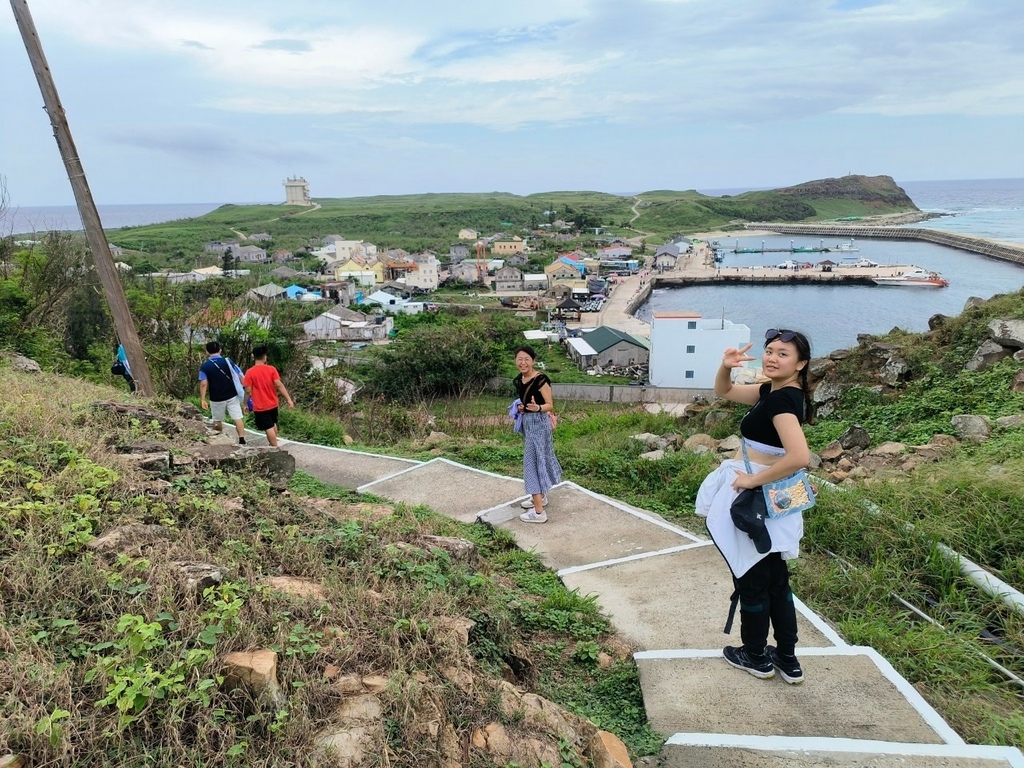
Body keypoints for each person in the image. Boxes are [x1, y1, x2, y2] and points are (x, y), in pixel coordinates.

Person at [695, 328, 813, 685]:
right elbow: (725, 391)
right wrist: (726, 366)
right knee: (776, 578)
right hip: (781, 497)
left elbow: (799, 456)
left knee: (753, 577)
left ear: (801, 363)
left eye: (783, 354)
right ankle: (787, 658)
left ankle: (756, 655)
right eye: (770, 351)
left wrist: (750, 480)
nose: (773, 358)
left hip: (762, 495)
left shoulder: (781, 401)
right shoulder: (773, 391)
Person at [512, 345, 562, 523]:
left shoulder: (541, 379)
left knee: (531, 464)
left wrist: (538, 408)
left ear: (533, 361)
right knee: (538, 459)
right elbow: (525, 401)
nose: (523, 362)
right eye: (520, 359)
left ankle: (539, 512)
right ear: (515, 361)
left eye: (526, 359)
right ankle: (541, 497)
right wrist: (522, 407)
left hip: (540, 425)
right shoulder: (520, 380)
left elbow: (549, 404)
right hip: (528, 424)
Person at [243, 345, 294, 447]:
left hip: (261, 406)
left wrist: (245, 404)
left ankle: (275, 448)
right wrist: (288, 399)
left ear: (254, 357)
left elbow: (248, 391)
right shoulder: (271, 369)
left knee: (268, 427)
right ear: (264, 357)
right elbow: (279, 385)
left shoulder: (250, 372)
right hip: (273, 403)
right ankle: (275, 443)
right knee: (273, 422)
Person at [198, 341, 247, 445]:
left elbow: (203, 383)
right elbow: (240, 375)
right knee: (237, 417)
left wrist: (202, 399)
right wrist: (246, 390)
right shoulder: (228, 361)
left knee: (217, 419)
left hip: (216, 397)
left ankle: (219, 438)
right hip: (232, 394)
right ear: (220, 350)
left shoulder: (205, 366)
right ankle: (242, 439)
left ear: (207, 352)